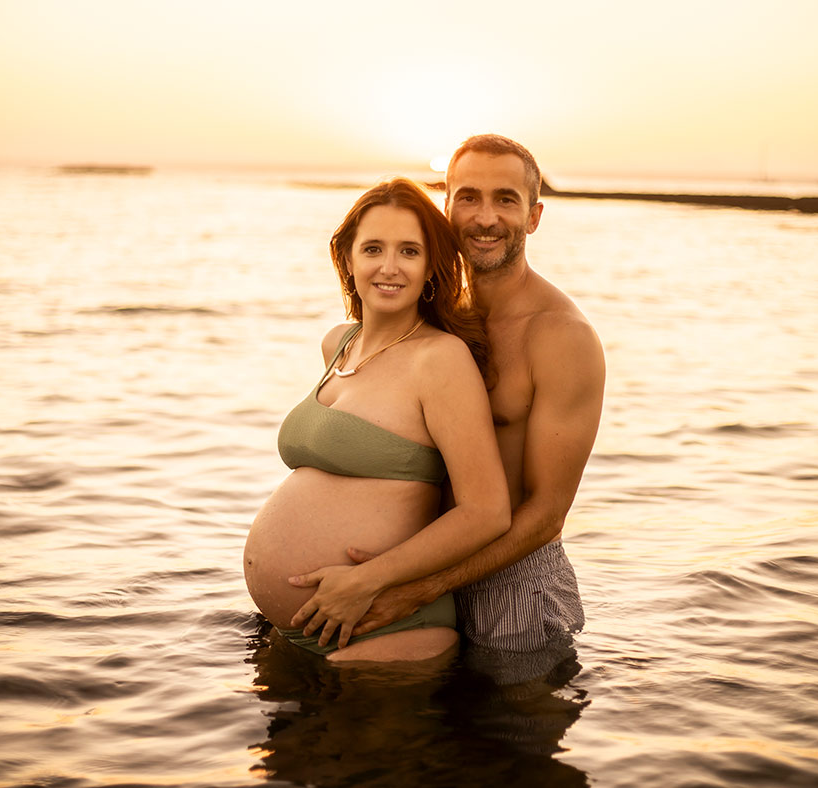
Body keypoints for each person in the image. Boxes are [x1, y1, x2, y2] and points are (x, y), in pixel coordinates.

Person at [291, 135, 605, 657]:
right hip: (417, 570)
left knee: (507, 735)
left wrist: (417, 589)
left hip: (510, 588)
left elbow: (548, 512)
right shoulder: (438, 318)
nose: (485, 217)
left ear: (534, 216)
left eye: (506, 199)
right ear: (447, 206)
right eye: (469, 197)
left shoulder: (560, 336)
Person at [243, 177, 511, 662]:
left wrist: (368, 579)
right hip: (305, 631)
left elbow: (487, 511)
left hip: (384, 630)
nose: (390, 267)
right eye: (373, 249)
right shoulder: (337, 344)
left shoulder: (440, 359)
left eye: (409, 251)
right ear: (347, 258)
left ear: (431, 266)